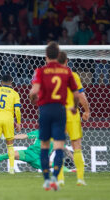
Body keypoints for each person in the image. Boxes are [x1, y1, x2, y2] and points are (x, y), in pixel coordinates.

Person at [29, 41, 79, 191]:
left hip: (45, 110)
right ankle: (55, 179)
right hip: (60, 110)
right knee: (58, 146)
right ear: (58, 55)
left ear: (46, 56)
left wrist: (34, 102)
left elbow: (33, 92)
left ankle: (46, 180)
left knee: (44, 146)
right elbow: (76, 95)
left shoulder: (41, 71)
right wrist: (74, 108)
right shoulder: (66, 71)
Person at [56, 51, 90, 186]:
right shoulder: (73, 76)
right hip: (72, 113)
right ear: (67, 61)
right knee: (77, 146)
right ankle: (80, 179)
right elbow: (81, 96)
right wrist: (86, 110)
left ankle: (60, 179)